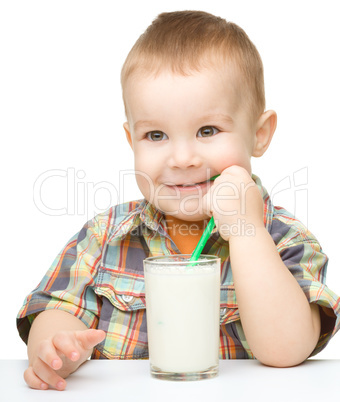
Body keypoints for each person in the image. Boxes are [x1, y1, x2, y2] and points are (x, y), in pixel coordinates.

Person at [17, 10, 340, 391]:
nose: (182, 158)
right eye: (155, 135)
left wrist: (246, 230)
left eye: (208, 130)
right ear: (131, 140)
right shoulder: (105, 236)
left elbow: (286, 350)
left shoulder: (283, 238)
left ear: (259, 134)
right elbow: (59, 309)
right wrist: (56, 346)